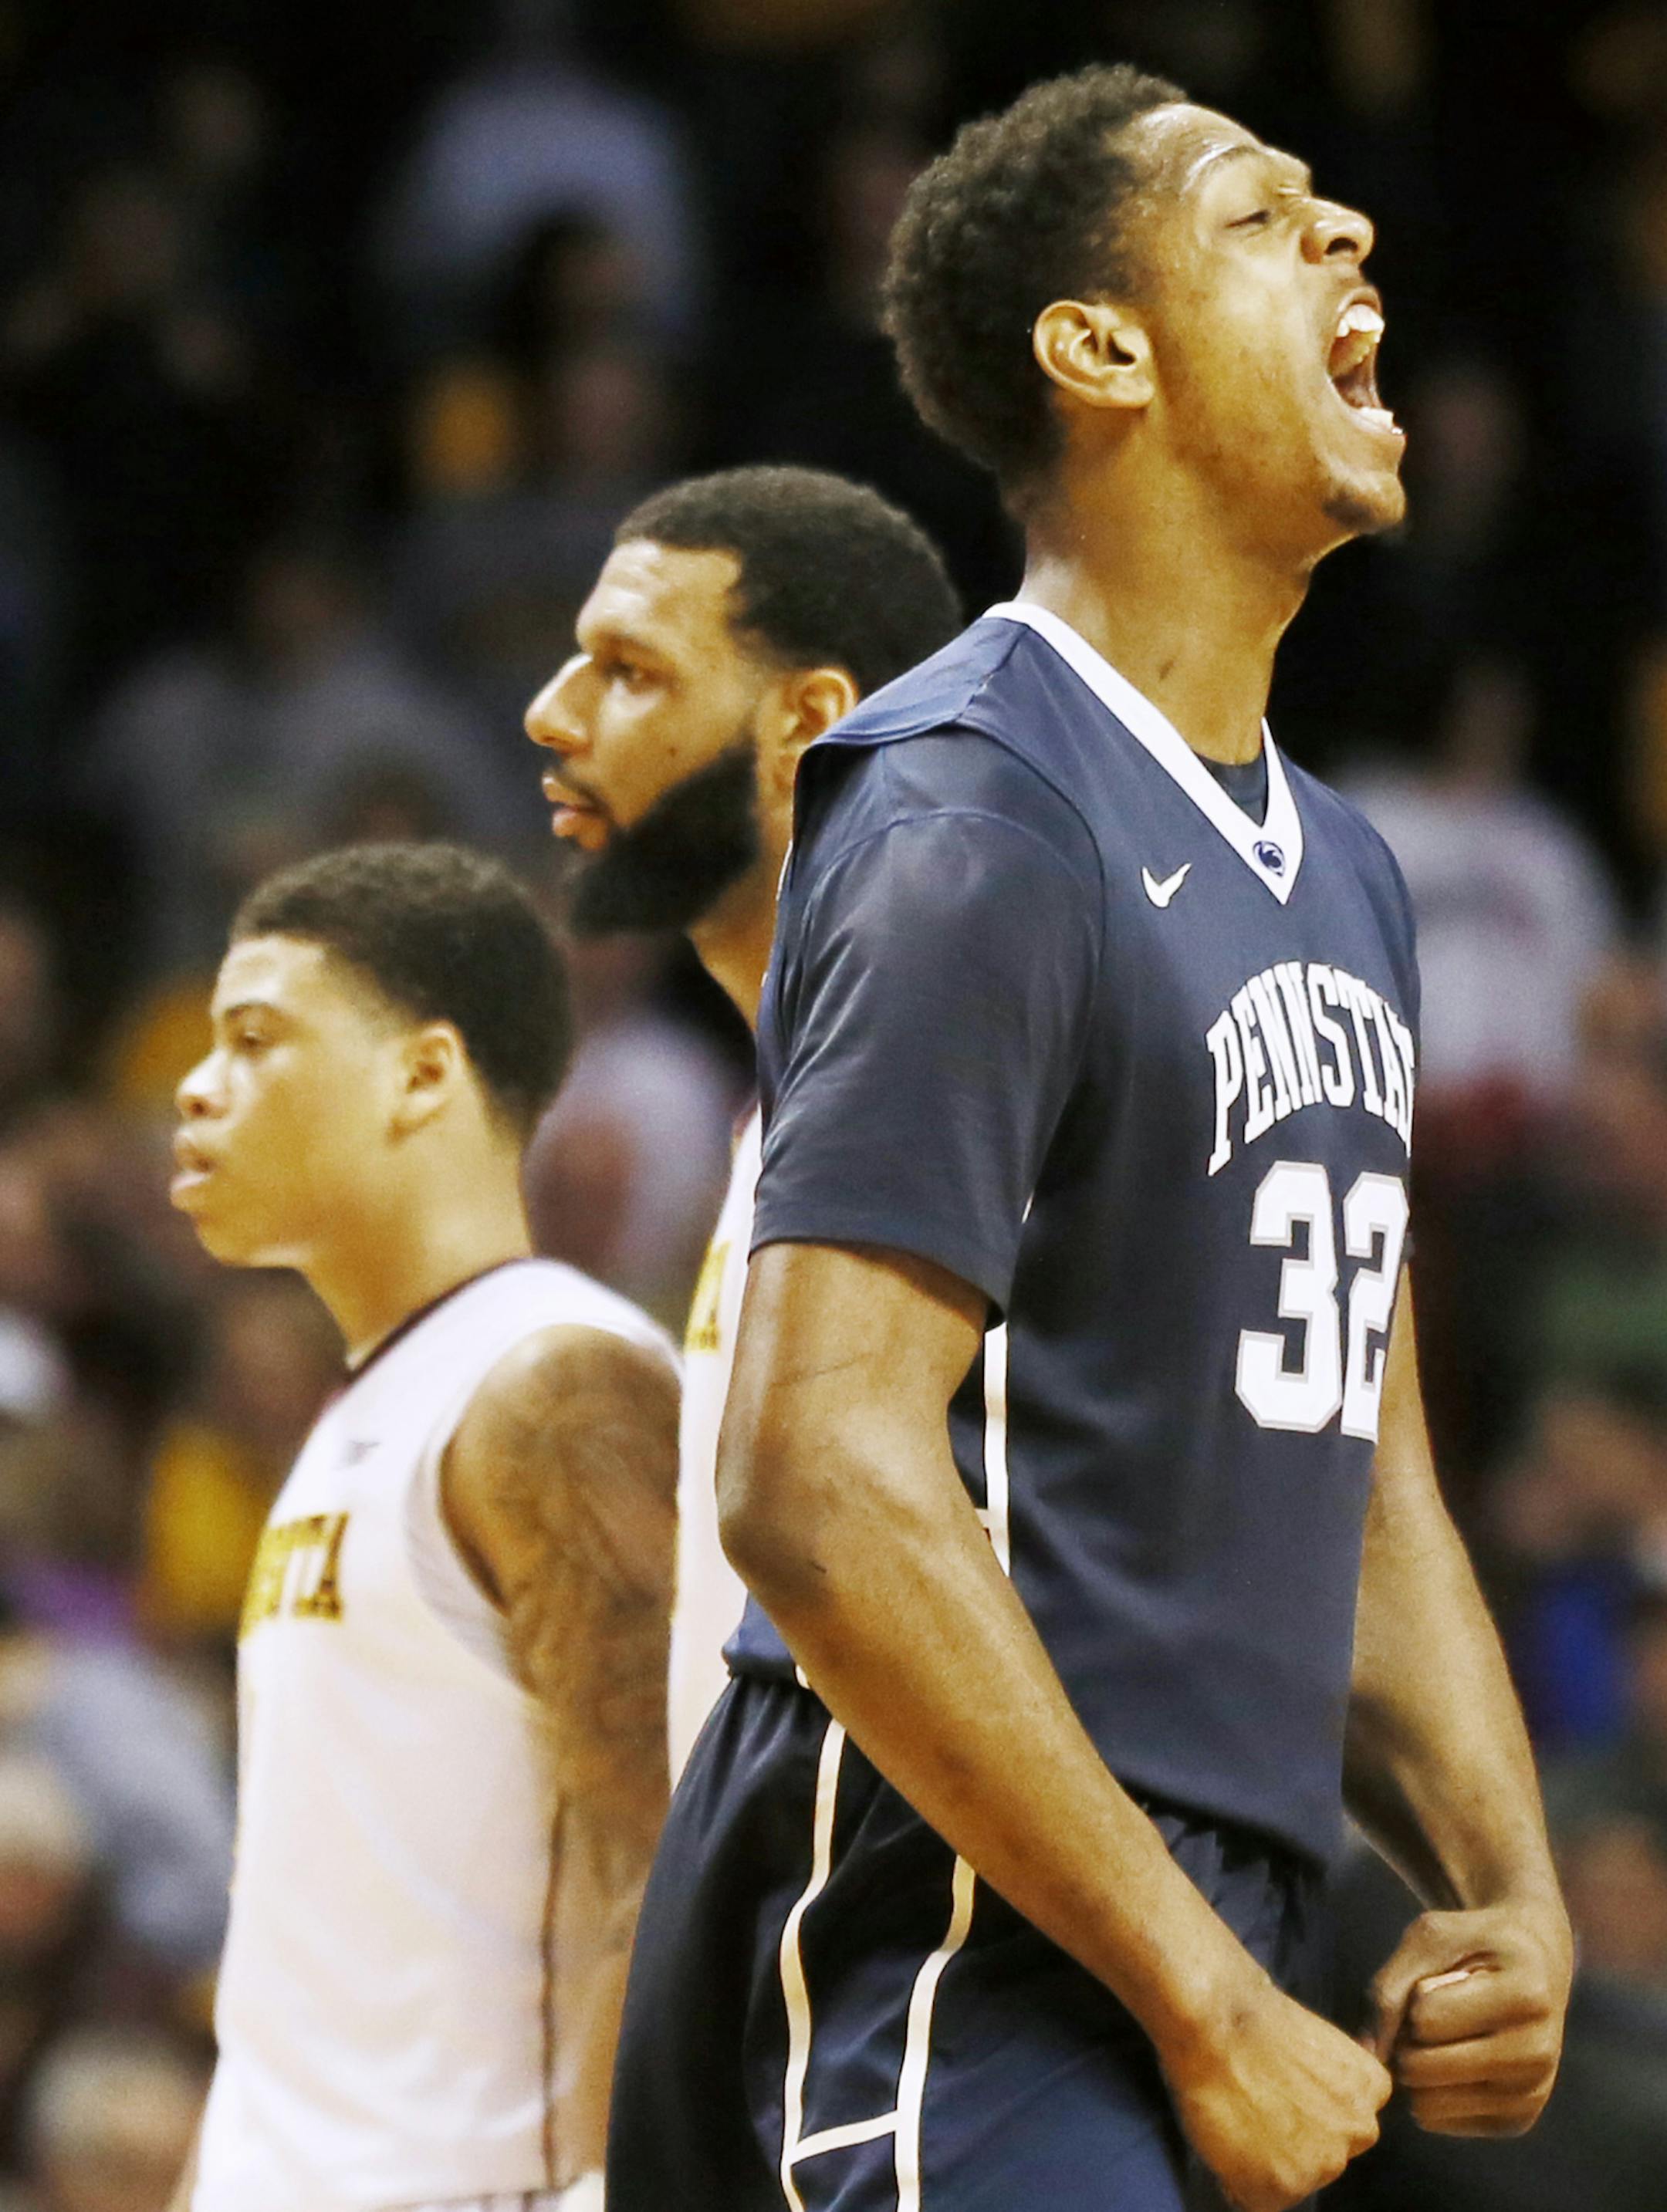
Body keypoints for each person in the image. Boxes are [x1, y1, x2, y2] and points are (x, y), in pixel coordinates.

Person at [606, 62, 1572, 2212]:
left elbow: (1371, 1465)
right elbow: (818, 1472)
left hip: (1200, 1898)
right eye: (1260, 214)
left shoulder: (1347, 868)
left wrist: (1507, 1881)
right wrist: (1200, 1997)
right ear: (1099, 347)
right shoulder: (975, 802)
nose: (1350, 242)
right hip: (967, 1907)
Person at [166, 842, 679, 2212]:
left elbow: (659, 1859)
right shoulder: (359, 1414)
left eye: (256, 1040)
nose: (196, 1084)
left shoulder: (556, 1380)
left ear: (424, 1075)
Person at [523, 464, 961, 1775]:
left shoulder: (945, 1067)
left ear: (805, 722)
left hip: (942, 1953)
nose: (552, 714)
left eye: (631, 673)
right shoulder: (798, 1093)